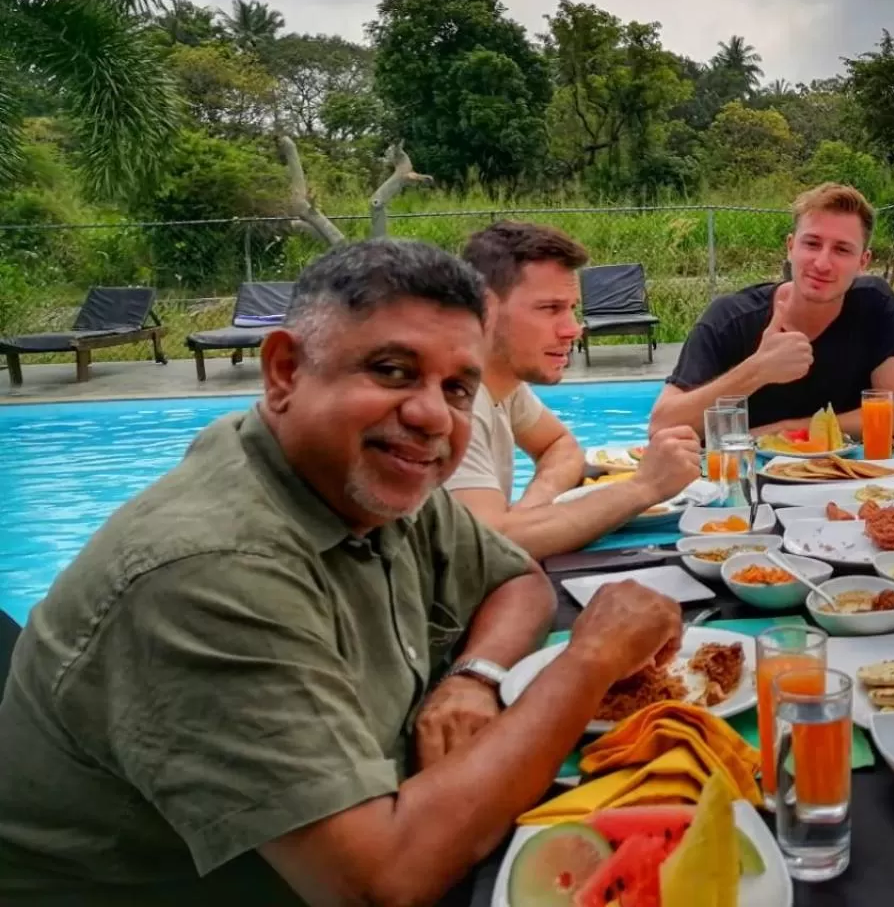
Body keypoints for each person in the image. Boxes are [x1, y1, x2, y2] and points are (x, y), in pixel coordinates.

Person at [0, 240, 685, 905]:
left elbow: (514, 580)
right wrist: (588, 660)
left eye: (456, 388)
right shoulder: (210, 572)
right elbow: (382, 881)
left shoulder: (367, 478)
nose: (428, 415)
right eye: (391, 370)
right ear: (284, 372)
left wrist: (474, 678)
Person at [450, 222, 701, 558]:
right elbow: (490, 550)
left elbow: (561, 447)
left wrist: (527, 512)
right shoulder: (452, 403)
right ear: (484, 309)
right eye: (550, 309)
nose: (573, 329)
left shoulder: (504, 385)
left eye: (572, 308)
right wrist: (646, 486)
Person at [650, 182, 894, 436]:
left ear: (862, 262)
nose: (822, 263)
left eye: (842, 250)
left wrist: (788, 430)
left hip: (849, 477)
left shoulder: (873, 306)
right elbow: (662, 427)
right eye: (811, 244)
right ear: (790, 247)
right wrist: (757, 370)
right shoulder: (730, 319)